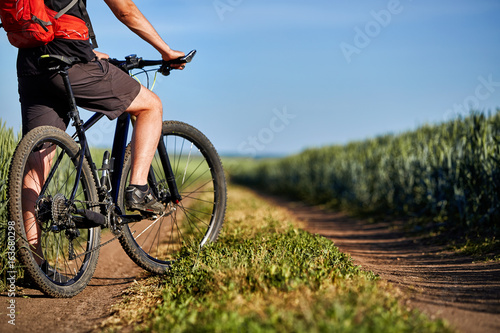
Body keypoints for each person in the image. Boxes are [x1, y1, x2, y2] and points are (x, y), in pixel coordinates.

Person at [19, 0, 185, 265]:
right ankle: (139, 188)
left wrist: (91, 53)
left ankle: (33, 263)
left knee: (36, 163)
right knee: (150, 106)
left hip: (32, 64)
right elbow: (125, 9)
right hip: (70, 61)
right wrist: (165, 51)